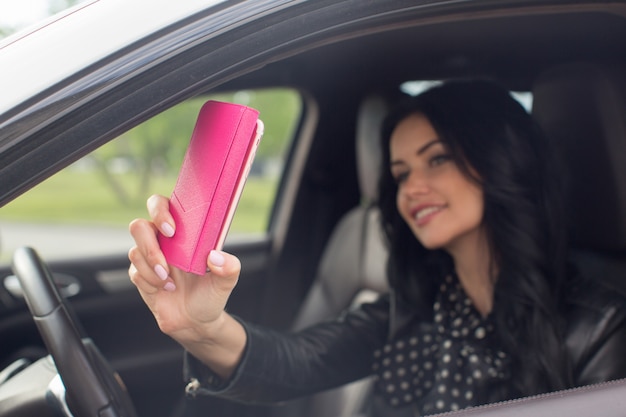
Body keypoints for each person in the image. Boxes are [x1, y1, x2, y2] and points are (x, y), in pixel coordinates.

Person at [128, 80, 626, 416]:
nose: (411, 190)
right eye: (401, 174)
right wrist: (201, 327)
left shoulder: (598, 328)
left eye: (438, 160)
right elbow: (300, 360)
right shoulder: (416, 305)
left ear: (502, 163)